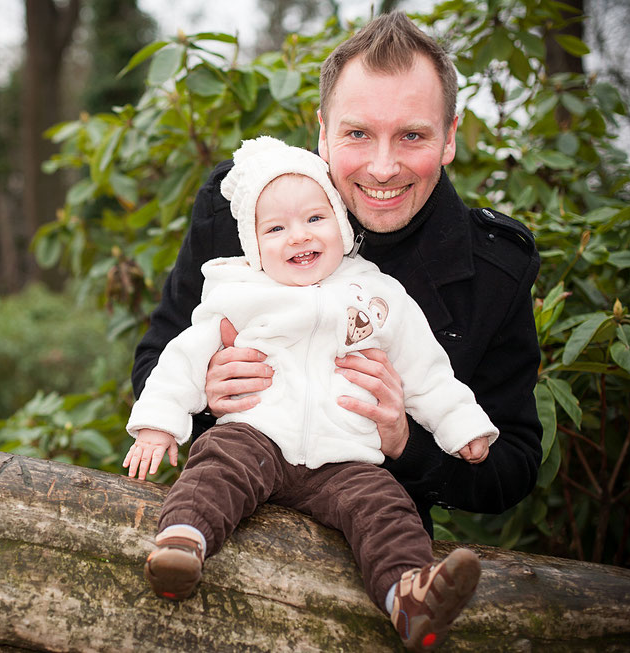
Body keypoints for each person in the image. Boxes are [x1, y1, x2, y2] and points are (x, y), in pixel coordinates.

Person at [131, 11, 542, 538]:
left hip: (376, 536)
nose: (383, 167)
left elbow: (513, 467)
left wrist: (406, 442)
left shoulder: (493, 272)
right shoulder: (240, 208)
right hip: (229, 515)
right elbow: (156, 356)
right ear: (323, 132)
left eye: (413, 135)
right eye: (358, 134)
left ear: (449, 137)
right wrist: (207, 388)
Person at [124, 135, 495, 650]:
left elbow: (426, 369)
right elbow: (184, 356)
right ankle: (182, 543)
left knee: (386, 508)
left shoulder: (378, 294)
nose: (298, 237)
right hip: (258, 437)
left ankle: (409, 596)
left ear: (342, 225)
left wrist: (462, 426)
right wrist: (157, 424)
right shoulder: (242, 292)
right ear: (254, 245)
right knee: (216, 465)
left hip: (346, 459)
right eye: (276, 228)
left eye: (315, 220)